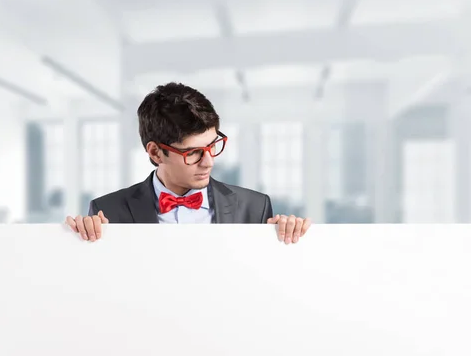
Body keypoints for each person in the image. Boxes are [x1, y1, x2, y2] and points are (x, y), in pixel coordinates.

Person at [65, 82, 312, 244]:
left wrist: (291, 240)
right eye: (193, 152)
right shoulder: (108, 211)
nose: (209, 162)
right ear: (155, 152)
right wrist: (75, 241)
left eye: (213, 146)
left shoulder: (254, 207)